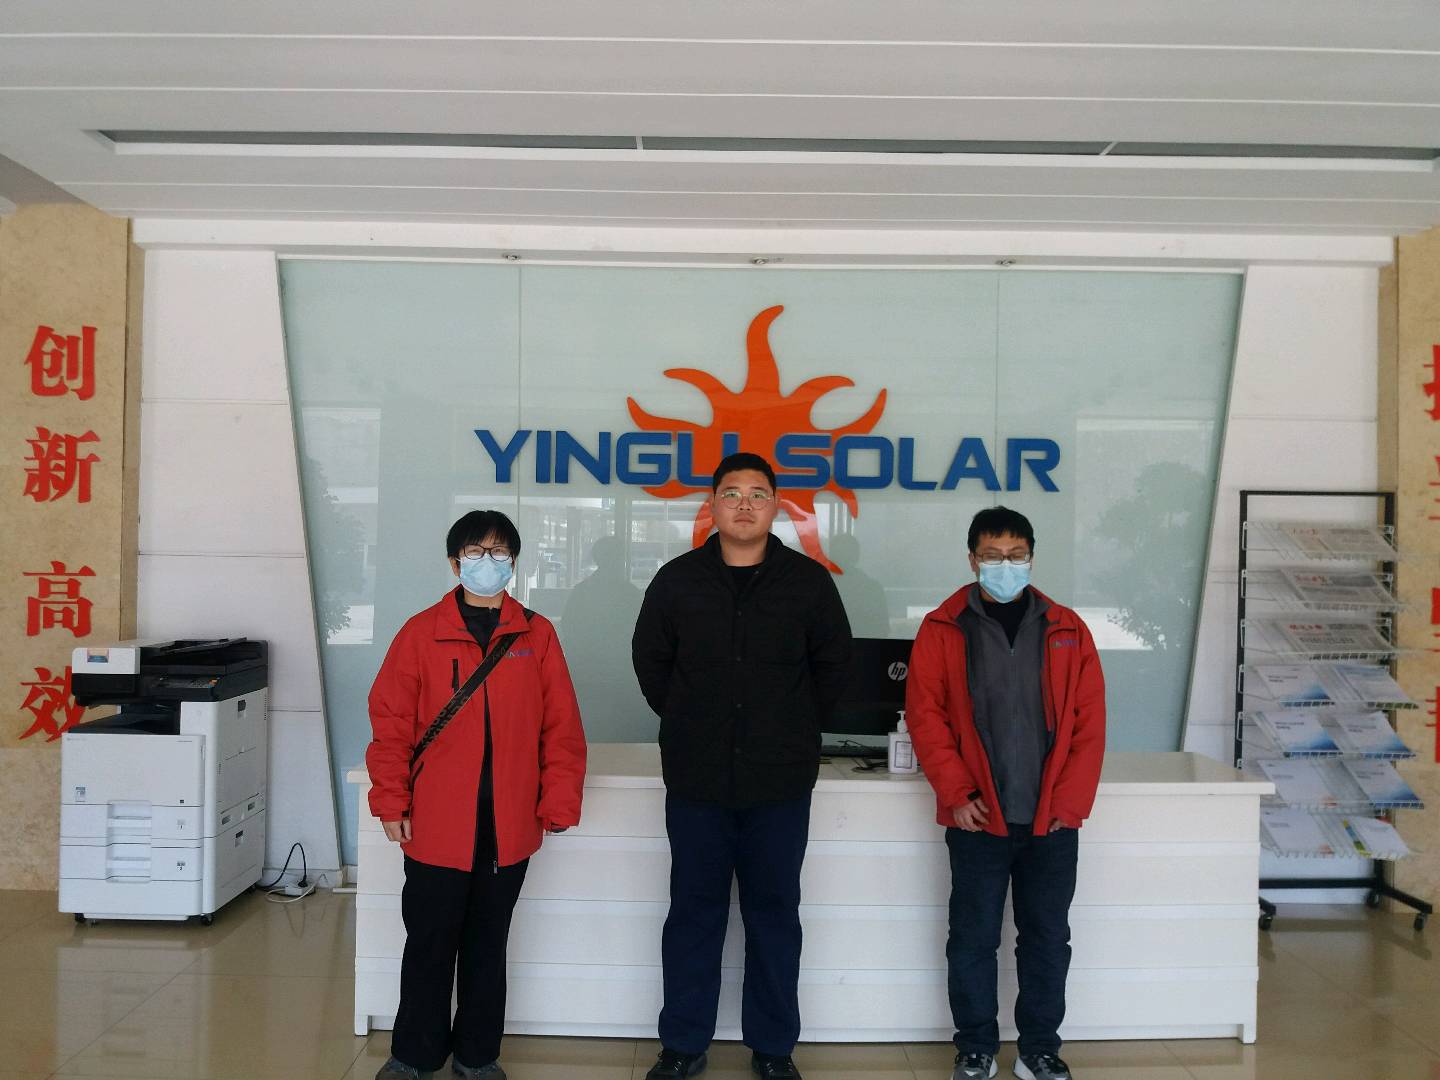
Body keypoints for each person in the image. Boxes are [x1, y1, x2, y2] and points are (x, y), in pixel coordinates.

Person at [632, 453, 853, 1080]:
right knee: (693, 915)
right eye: (732, 493)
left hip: (779, 783)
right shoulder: (677, 581)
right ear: (713, 505)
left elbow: (835, 669)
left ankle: (773, 1048)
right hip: (697, 780)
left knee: (774, 916)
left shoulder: (808, 584)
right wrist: (690, 718)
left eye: (758, 493)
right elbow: (651, 663)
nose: (745, 505)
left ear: (776, 505)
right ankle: (683, 1044)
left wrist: (793, 726)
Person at [366, 510, 588, 1080]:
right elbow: (390, 724)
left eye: (498, 552)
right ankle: (414, 1055)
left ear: (513, 562)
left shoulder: (536, 634)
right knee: (430, 943)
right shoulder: (421, 633)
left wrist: (559, 801)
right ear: (454, 562)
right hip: (436, 823)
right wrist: (391, 800)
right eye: (474, 552)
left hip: (507, 824)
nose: (487, 562)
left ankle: (477, 1055)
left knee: (488, 945)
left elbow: (561, 725)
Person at [904, 507, 1105, 1080]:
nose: (1005, 565)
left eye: (1016, 556)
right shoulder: (944, 626)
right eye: (993, 556)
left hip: (1051, 822)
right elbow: (926, 716)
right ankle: (975, 1048)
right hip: (978, 817)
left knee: (1047, 939)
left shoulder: (1067, 628)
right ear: (972, 560)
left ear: (1032, 558)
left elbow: (1089, 724)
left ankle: (1039, 1048)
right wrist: (956, 792)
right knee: (972, 940)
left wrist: (1069, 805)